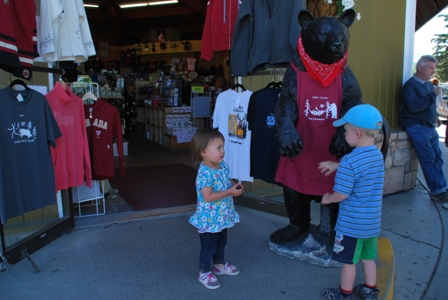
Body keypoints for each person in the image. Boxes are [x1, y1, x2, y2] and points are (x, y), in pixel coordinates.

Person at [318, 104, 384, 300]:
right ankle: (370, 290)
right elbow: (362, 171)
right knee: (368, 258)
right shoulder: (377, 155)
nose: (344, 134)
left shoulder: (349, 161)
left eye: (345, 131)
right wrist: (336, 165)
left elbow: (342, 193)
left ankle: (344, 293)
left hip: (352, 225)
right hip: (371, 224)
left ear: (356, 133)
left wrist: (328, 199)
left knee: (349, 262)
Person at [189, 128, 244, 289]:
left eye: (223, 147)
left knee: (221, 242)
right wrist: (229, 192)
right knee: (209, 246)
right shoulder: (205, 173)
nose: (223, 151)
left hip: (223, 216)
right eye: (218, 148)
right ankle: (204, 271)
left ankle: (219, 265)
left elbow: (228, 181)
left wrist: (235, 186)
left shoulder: (222, 166)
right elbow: (208, 196)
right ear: (203, 152)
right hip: (209, 220)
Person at [400, 55, 448, 204]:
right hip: (417, 127)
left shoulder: (427, 84)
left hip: (429, 126)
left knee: (437, 158)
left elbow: (427, 105)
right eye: (430, 68)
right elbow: (414, 106)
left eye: (434, 68)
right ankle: (437, 191)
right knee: (428, 158)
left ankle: (442, 187)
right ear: (420, 68)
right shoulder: (410, 86)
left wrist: (435, 117)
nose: (433, 71)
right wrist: (433, 95)